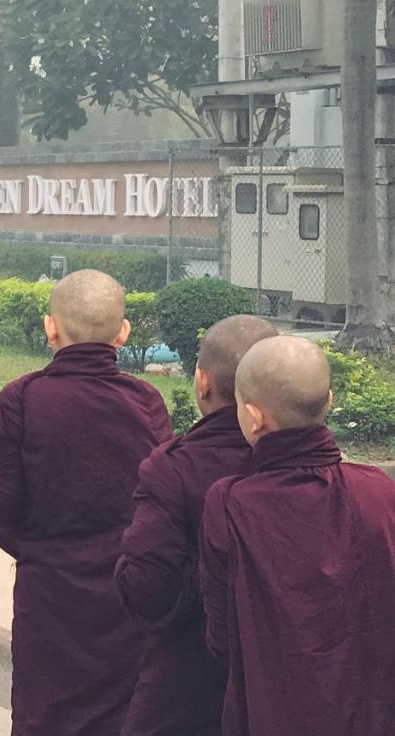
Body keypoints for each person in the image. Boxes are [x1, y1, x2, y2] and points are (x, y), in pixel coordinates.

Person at [0, 269, 172, 736]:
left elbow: (5, 506)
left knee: (44, 713)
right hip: (123, 594)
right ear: (123, 332)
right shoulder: (146, 400)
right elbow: (160, 504)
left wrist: (35, 550)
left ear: (51, 328)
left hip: (49, 589)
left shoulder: (22, 398)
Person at [200, 336, 395, 736]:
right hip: (373, 708)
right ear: (328, 401)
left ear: (253, 417)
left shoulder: (231, 503)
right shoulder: (378, 490)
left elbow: (221, 635)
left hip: (273, 706)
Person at [116, 315, 276, 735]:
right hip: (291, 674)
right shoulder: (316, 474)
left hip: (187, 674)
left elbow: (149, 588)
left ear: (202, 382)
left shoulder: (175, 468)